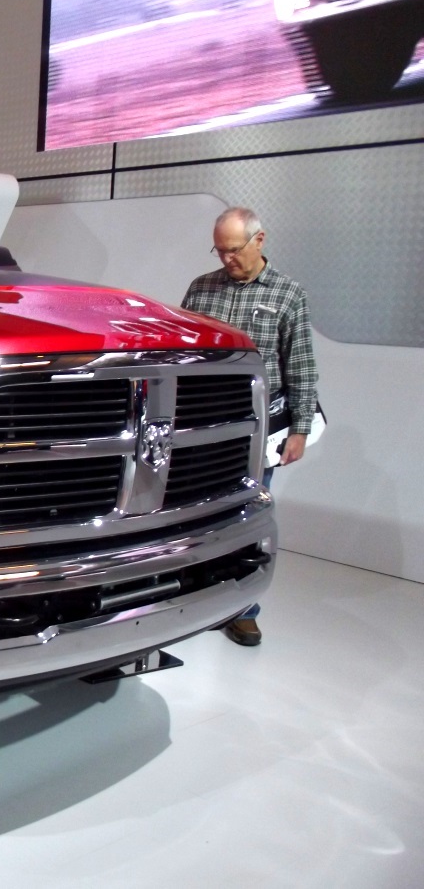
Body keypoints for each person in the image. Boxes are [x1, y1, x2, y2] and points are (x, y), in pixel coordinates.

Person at [182, 206, 318, 647]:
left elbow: (300, 365)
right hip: (201, 423)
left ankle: (243, 610)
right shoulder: (201, 289)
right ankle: (190, 596)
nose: (227, 259)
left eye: (234, 250)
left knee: (246, 517)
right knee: (192, 513)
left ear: (259, 240)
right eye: (219, 251)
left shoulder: (287, 294)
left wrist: (299, 429)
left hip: (256, 428)